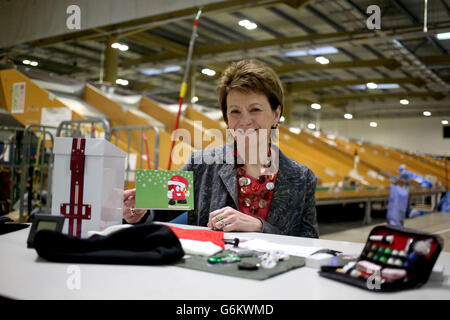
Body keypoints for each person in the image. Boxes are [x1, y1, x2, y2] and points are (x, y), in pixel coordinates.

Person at [123, 59, 319, 238]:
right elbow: (153, 210)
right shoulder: (200, 163)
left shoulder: (302, 178)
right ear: (226, 118)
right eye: (235, 112)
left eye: (255, 109)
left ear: (276, 114)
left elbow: (310, 242)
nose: (244, 121)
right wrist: (137, 211)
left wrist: (260, 227)